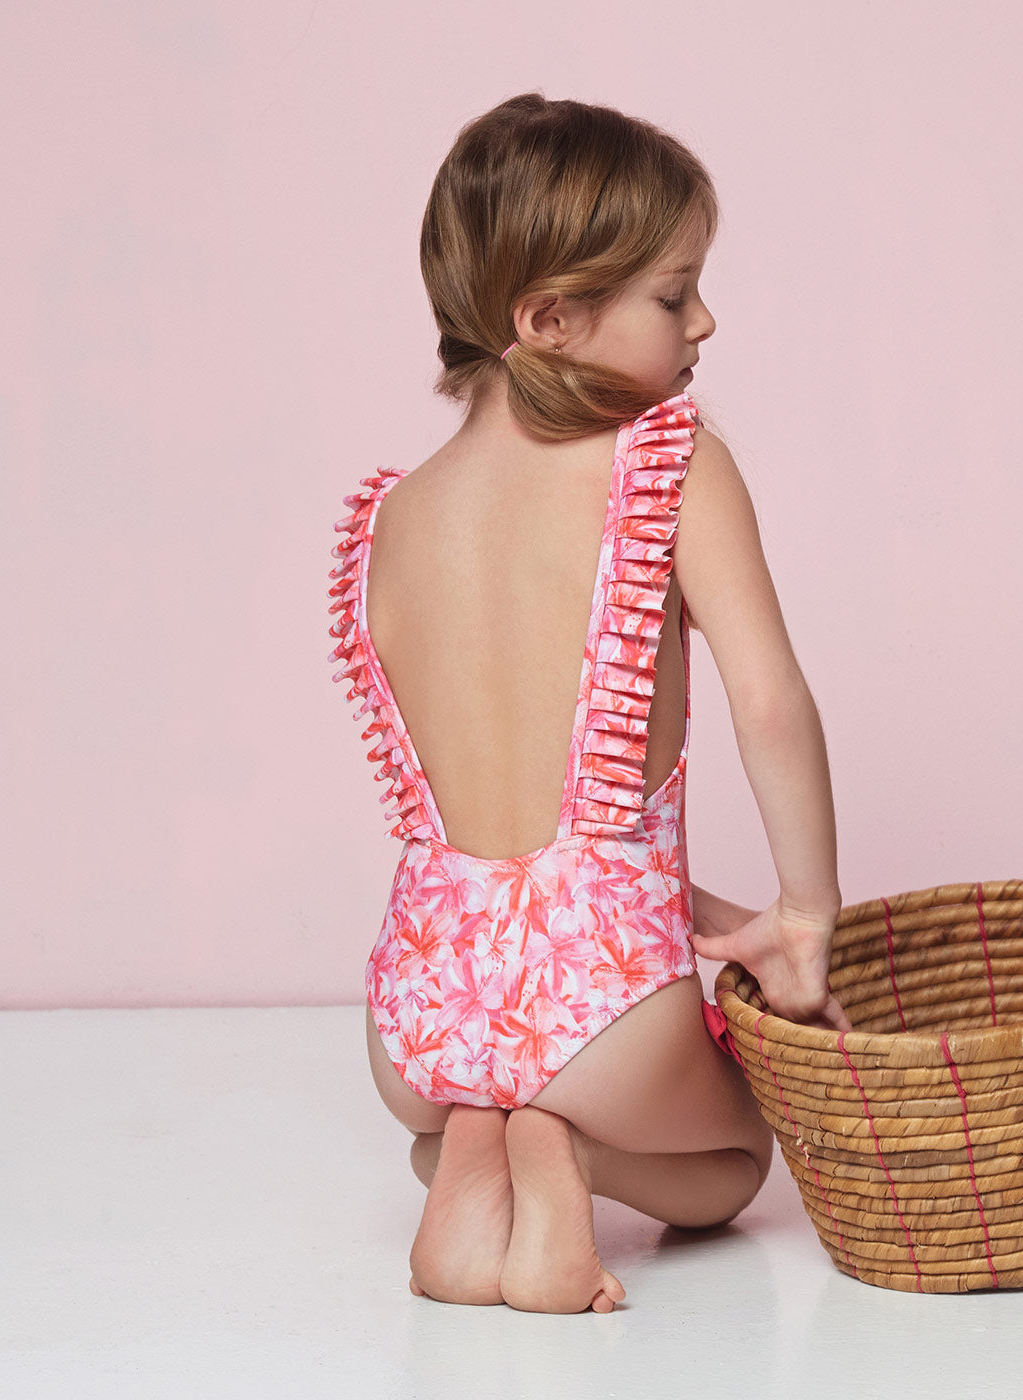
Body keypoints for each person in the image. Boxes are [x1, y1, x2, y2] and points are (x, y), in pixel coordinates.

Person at [326, 92, 850, 1316]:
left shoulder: (391, 519)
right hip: (602, 1015)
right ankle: (563, 1150)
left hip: (415, 1010)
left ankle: (471, 1147)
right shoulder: (666, 462)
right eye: (673, 295)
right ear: (548, 318)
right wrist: (801, 912)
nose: (702, 319)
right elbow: (769, 701)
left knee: (462, 1110)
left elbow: (517, 851)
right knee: (731, 1167)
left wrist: (705, 911)